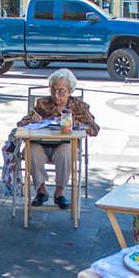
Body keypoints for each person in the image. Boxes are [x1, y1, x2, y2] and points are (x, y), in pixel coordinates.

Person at [17, 68, 99, 208]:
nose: (56, 95)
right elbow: (21, 124)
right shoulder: (43, 104)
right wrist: (32, 120)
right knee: (31, 150)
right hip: (41, 144)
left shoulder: (78, 106)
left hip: (65, 145)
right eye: (53, 90)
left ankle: (59, 192)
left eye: (61, 91)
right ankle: (41, 191)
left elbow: (94, 129)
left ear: (70, 90)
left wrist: (75, 124)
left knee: (65, 151)